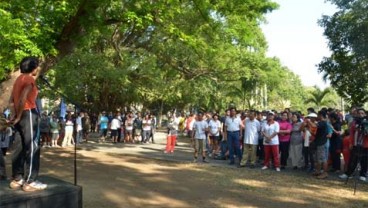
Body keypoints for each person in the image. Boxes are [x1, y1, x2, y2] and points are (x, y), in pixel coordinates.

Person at [8, 57, 47, 191]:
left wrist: (14, 114)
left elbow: (12, 100)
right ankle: (30, 180)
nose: (37, 69)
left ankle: (17, 178)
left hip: (20, 114)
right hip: (28, 113)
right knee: (32, 146)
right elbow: (24, 97)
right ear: (33, 67)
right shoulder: (29, 79)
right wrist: (18, 115)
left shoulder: (18, 79)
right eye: (36, 66)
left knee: (19, 146)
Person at [339, 108, 368, 182]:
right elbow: (351, 133)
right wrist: (351, 143)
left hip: (365, 145)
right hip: (355, 143)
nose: (361, 115)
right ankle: (348, 174)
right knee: (352, 159)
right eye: (359, 113)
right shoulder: (354, 122)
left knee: (364, 160)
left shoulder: (366, 122)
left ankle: (362, 175)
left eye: (362, 113)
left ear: (365, 114)